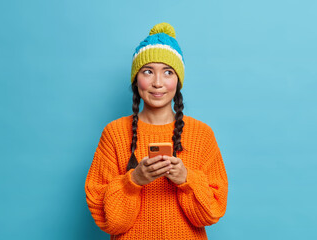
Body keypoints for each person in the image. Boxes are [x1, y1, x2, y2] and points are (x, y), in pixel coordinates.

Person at [84, 22, 229, 240]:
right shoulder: (114, 133)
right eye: (148, 71)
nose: (158, 83)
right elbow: (109, 220)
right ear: (136, 79)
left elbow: (211, 213)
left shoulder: (201, 134)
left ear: (178, 80)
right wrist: (134, 181)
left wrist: (186, 179)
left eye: (168, 72)